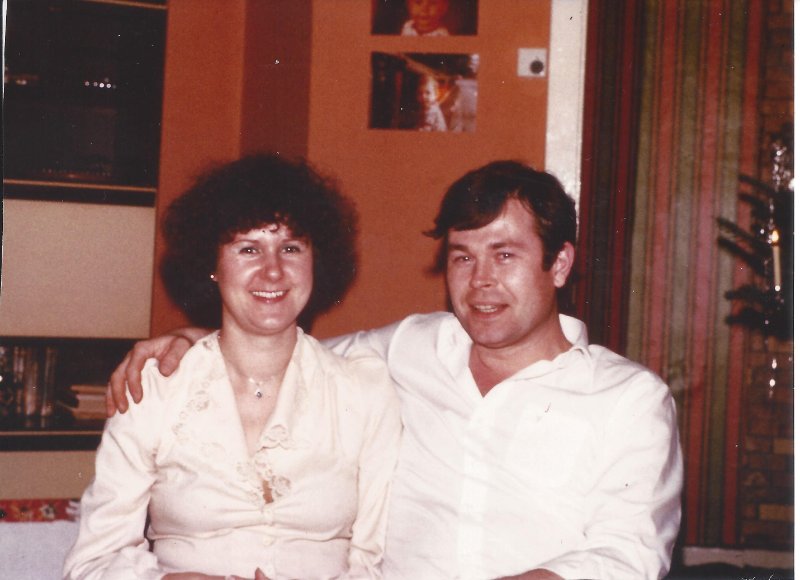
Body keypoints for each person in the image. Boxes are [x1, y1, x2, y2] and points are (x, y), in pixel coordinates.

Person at [108, 160, 684, 579]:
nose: (480, 280)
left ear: (559, 264)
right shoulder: (411, 347)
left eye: (505, 255)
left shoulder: (628, 400)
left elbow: (628, 556)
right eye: (462, 257)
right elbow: (286, 352)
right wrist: (193, 340)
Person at [65, 155, 402, 580]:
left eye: (291, 248)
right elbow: (91, 565)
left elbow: (379, 564)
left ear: (316, 260)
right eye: (248, 249)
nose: (273, 270)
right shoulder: (158, 387)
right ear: (212, 265)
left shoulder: (364, 390)